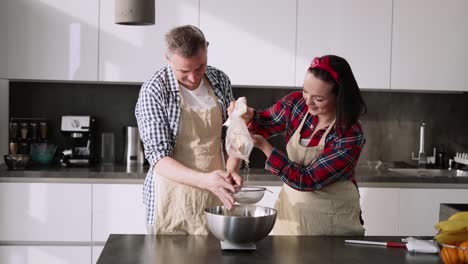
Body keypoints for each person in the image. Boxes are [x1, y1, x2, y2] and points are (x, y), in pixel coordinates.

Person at [234, 55, 367, 235]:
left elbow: (307, 179)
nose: (308, 102)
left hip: (332, 225)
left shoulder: (349, 134)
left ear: (339, 97)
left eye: (318, 99)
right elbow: (264, 122)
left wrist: (266, 148)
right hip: (292, 219)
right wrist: (249, 116)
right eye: (305, 91)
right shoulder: (296, 104)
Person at [135, 25, 242, 235]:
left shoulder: (220, 80)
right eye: (184, 71)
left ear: (207, 51)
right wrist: (205, 180)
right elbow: (158, 158)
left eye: (200, 67)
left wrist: (232, 168)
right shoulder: (155, 90)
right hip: (172, 200)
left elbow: (232, 133)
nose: (193, 78)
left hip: (216, 196)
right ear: (168, 59)